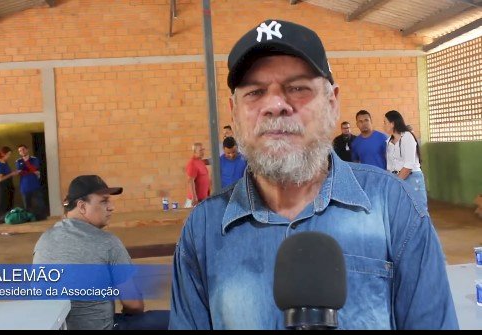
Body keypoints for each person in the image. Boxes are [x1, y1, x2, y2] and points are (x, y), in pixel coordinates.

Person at [169, 19, 458, 330]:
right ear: (234, 112)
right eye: (255, 92)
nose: (276, 105)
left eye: (297, 88)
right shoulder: (202, 231)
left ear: (332, 102)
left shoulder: (392, 207)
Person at [33, 175, 169, 330]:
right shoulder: (107, 243)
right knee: (179, 320)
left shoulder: (44, 240)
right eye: (104, 201)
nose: (111, 207)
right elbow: (134, 305)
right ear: (82, 206)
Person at [383, 110, 427, 209]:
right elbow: (390, 166)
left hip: (411, 178)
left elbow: (408, 166)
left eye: (385, 122)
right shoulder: (389, 141)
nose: (384, 125)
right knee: (401, 210)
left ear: (392, 123)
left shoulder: (407, 137)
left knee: (418, 210)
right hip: (397, 178)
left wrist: (395, 182)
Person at [16, 144, 47, 220]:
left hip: (35, 185)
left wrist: (26, 166)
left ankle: (42, 218)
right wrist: (31, 171)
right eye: (20, 151)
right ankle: (29, 219)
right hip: (24, 187)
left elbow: (34, 168)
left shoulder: (34, 159)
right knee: (27, 205)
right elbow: (20, 172)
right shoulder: (18, 161)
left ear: (27, 149)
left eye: (23, 149)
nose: (22, 151)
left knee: (39, 203)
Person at [0, 146, 20, 222]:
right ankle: (3, 222)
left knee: (10, 205)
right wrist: (12, 174)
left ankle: (9, 221)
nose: (9, 156)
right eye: (8, 154)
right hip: (3, 187)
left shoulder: (5, 162)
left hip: (9, 185)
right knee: (3, 206)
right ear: (3, 154)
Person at [184, 143, 210, 208]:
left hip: (202, 200)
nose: (202, 152)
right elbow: (190, 181)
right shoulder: (192, 164)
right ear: (194, 152)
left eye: (203, 150)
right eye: (200, 150)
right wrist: (194, 197)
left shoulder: (200, 161)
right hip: (195, 201)